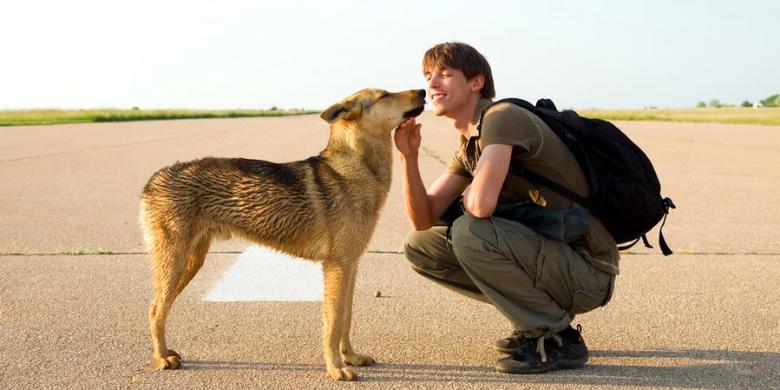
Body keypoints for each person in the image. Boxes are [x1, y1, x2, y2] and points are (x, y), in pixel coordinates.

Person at [393, 42, 619, 374]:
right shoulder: (470, 143)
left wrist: (470, 194)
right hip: (555, 261)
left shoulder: (501, 118)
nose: (433, 83)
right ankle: (537, 316)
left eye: (445, 73)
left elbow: (481, 206)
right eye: (428, 75)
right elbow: (423, 219)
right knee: (422, 246)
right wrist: (408, 158)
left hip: (588, 270)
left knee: (471, 231)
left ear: (476, 82)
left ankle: (554, 338)